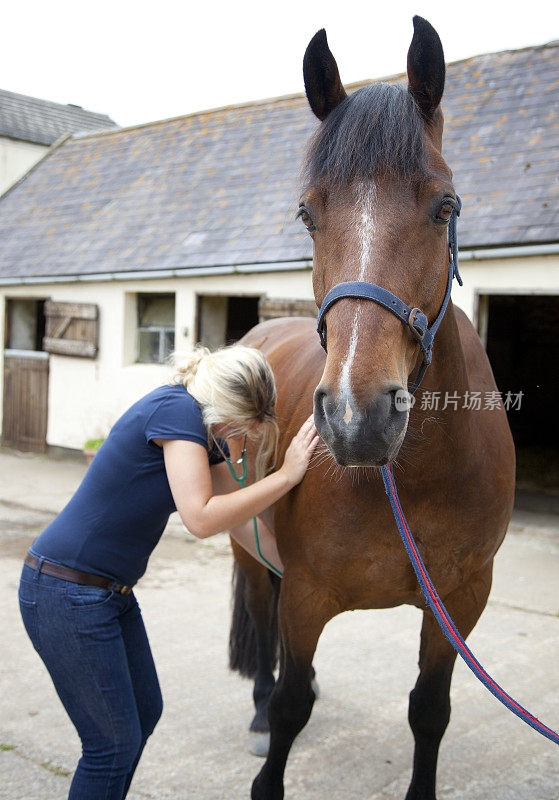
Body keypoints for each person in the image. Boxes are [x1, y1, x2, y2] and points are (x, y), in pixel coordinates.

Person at [18, 344, 318, 800]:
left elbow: (240, 522)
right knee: (110, 746)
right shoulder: (177, 410)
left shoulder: (200, 430)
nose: (240, 437)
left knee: (144, 712)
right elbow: (200, 518)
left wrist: (301, 580)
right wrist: (286, 476)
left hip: (107, 594)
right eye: (239, 426)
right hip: (65, 590)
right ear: (222, 408)